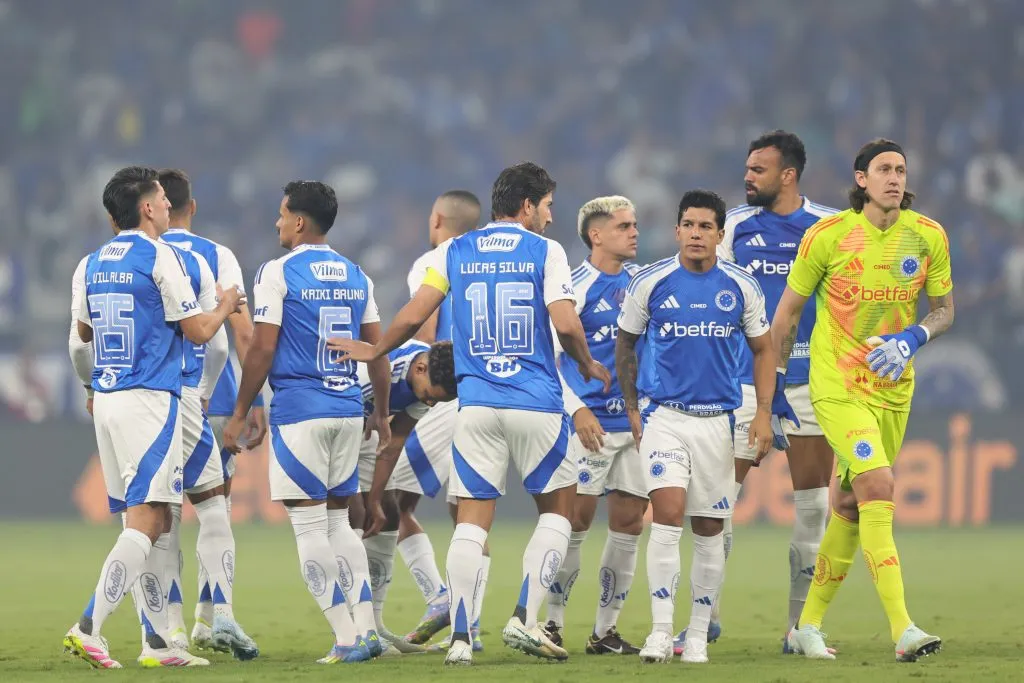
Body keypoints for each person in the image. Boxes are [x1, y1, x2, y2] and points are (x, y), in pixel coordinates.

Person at [328, 162, 610, 666]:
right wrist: (586, 360)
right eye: (546, 206)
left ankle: (461, 637)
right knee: (558, 513)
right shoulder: (546, 251)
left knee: (471, 523)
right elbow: (565, 322)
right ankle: (523, 617)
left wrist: (376, 351)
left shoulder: (455, 250)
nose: (549, 217)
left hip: (475, 404)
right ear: (527, 205)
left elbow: (416, 313)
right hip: (535, 401)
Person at [63, 166, 243, 669]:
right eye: (161, 198)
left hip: (109, 398)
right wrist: (228, 302)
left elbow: (82, 338)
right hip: (150, 399)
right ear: (145, 207)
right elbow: (202, 331)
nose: (168, 204)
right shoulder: (161, 256)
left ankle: (157, 642)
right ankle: (88, 627)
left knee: (149, 518)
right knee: (149, 519)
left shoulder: (92, 262)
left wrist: (92, 386)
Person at [779, 140, 952, 662]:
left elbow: (944, 310)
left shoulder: (927, 237)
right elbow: (787, 314)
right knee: (878, 484)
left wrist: (912, 339)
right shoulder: (827, 237)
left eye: (901, 169)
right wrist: (773, 388)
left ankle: (807, 626)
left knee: (850, 506)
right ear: (861, 179)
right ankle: (903, 630)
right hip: (837, 385)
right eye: (883, 170)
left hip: (894, 388)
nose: (894, 177)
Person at [674, 132, 838, 653]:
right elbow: (699, 282)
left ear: (787, 175)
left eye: (758, 170)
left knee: (813, 506)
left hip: (814, 382)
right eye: (747, 168)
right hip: (745, 382)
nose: (748, 177)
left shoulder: (829, 228)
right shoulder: (736, 228)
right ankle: (706, 618)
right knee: (718, 501)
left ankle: (798, 628)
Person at [221, 181, 391, 664]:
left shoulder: (278, 273)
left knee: (309, 527)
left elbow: (264, 348)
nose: (277, 223)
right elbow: (378, 352)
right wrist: (378, 411)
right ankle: (366, 628)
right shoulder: (358, 274)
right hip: (346, 412)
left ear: (298, 221)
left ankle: (344, 637)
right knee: (340, 522)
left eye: (281, 214)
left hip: (301, 413)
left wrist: (239, 412)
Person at [615, 189, 775, 665]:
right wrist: (632, 408)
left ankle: (699, 635)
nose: (696, 234)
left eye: (706, 226)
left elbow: (765, 350)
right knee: (666, 514)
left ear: (720, 235)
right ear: (677, 230)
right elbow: (625, 346)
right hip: (666, 418)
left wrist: (763, 412)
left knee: (709, 529)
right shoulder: (651, 281)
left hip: (719, 424)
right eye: (689, 225)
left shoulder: (742, 286)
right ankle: (661, 632)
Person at [157, 169, 259, 659]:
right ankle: (211, 617)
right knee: (216, 506)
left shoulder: (143, 256)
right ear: (191, 207)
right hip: (213, 401)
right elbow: (237, 335)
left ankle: (174, 625)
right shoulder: (216, 256)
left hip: (155, 398)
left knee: (164, 514)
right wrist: (251, 403)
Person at [543, 195, 646, 656]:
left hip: (637, 427)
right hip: (589, 426)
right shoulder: (574, 287)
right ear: (596, 234)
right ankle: (551, 624)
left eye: (635, 224)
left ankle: (605, 632)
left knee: (629, 524)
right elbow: (548, 359)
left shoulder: (643, 285)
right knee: (575, 522)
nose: (634, 232)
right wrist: (576, 410)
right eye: (623, 226)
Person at [382, 190, 483, 651]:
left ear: (437, 218)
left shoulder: (435, 259)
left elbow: (425, 332)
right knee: (469, 513)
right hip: (489, 394)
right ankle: (470, 624)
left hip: (443, 397)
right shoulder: (488, 259)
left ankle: (439, 598)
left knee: (388, 501)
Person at [347, 339, 457, 653]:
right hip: (336, 422)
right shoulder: (377, 371)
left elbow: (394, 442)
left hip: (368, 427)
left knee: (390, 513)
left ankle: (376, 627)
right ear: (420, 369)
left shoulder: (426, 377)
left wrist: (376, 499)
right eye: (429, 397)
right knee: (351, 515)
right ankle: (353, 630)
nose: (430, 404)